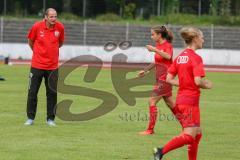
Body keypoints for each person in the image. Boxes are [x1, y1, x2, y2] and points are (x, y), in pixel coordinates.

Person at [153, 27, 213, 160]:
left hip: (182, 100)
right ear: (195, 38)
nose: (203, 40)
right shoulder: (196, 58)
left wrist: (184, 84)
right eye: (202, 37)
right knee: (189, 135)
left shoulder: (180, 57)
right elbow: (198, 81)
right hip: (190, 102)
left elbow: (169, 78)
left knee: (197, 134)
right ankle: (160, 151)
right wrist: (207, 84)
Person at [24, 8, 65, 126]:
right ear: (45, 17)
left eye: (55, 16)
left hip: (52, 67)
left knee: (52, 93)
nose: (54, 19)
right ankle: (30, 118)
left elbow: (60, 43)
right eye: (51, 17)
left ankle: (50, 119)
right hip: (37, 65)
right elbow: (31, 41)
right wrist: (38, 53)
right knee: (32, 92)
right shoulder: (37, 27)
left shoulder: (60, 27)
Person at [138, 26, 176, 135]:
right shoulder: (159, 46)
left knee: (152, 101)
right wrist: (145, 70)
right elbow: (157, 62)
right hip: (160, 78)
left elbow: (168, 56)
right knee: (171, 105)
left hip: (165, 79)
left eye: (153, 34)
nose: (151, 36)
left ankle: (150, 130)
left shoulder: (167, 45)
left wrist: (155, 50)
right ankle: (187, 125)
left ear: (159, 35)